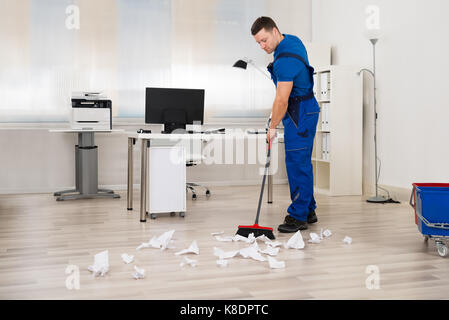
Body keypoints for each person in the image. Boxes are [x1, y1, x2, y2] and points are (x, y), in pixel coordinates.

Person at [251, 16, 320, 232]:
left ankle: (298, 217)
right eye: (258, 43)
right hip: (305, 108)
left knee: (297, 163)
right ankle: (309, 209)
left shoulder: (284, 62)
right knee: (302, 162)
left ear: (274, 31)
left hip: (300, 112)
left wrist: (272, 127)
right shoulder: (292, 40)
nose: (262, 47)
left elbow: (281, 99)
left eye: (264, 40)